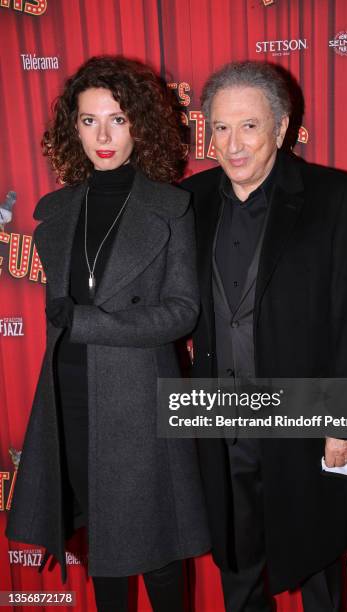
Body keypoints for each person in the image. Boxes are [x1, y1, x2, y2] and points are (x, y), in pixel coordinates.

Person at [6, 55, 209, 612]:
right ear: (72, 127)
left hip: (139, 395)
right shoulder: (58, 211)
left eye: (117, 119)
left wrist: (92, 321)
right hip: (71, 395)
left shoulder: (172, 208)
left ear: (139, 124)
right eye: (89, 120)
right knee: (101, 539)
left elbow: (181, 313)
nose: (103, 135)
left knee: (158, 549)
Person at [181, 61, 347, 612]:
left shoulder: (335, 197)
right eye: (220, 127)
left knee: (316, 562)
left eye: (249, 126)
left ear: (282, 128)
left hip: (306, 417)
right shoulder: (189, 202)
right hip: (219, 417)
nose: (232, 144)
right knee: (236, 565)